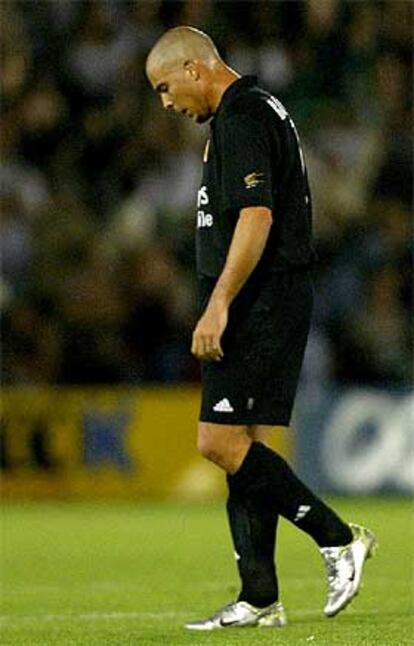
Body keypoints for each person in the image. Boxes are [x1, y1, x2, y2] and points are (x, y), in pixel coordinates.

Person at [145, 26, 377, 631]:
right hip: (267, 295)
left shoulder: (241, 116)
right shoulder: (258, 108)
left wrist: (220, 301)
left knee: (216, 443)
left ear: (195, 69)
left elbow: (256, 214)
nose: (165, 103)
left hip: (258, 299)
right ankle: (259, 597)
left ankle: (337, 539)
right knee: (239, 441)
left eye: (166, 87)